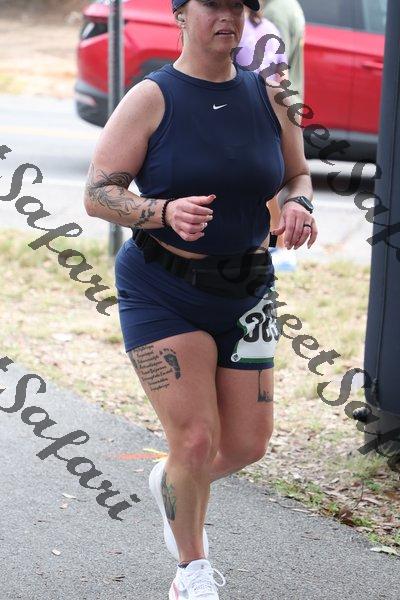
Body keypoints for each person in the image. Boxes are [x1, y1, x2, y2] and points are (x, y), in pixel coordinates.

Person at [84, 0, 317, 598]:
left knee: (246, 445)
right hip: (162, 287)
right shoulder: (151, 98)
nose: (228, 15)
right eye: (213, 3)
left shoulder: (272, 95)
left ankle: (173, 480)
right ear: (181, 15)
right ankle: (191, 570)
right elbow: (98, 193)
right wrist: (162, 212)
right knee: (194, 439)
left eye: (238, 5)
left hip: (248, 287)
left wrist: (298, 203)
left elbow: (297, 174)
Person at [235, 0, 298, 271]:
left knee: (261, 189)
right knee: (265, 187)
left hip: (248, 115)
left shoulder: (237, 31)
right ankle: (275, 248)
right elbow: (283, 78)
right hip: (270, 113)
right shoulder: (269, 27)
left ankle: (276, 247)